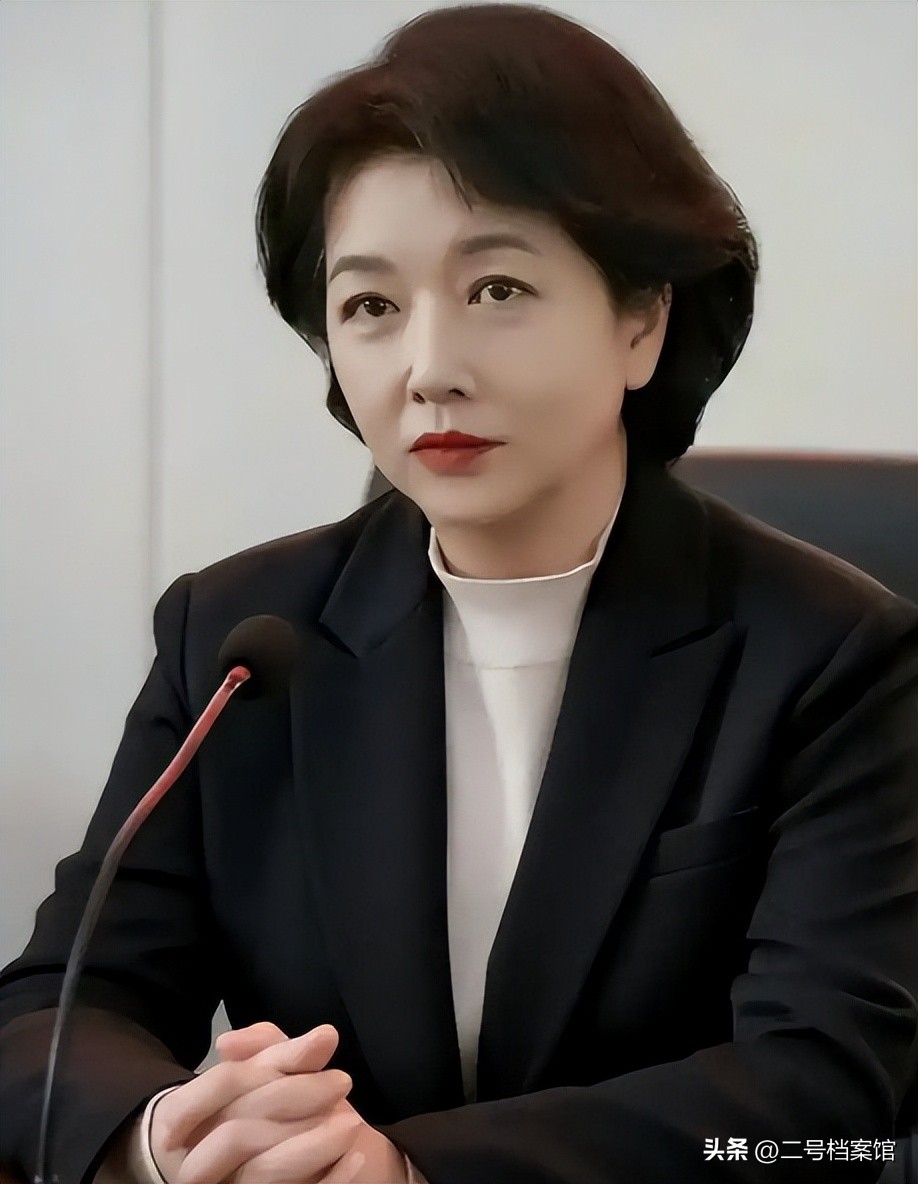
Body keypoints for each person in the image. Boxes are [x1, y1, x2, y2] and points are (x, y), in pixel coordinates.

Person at [0, 4, 915, 1183]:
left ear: (642, 319)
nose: (429, 368)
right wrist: (165, 1134)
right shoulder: (240, 638)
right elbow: (58, 1007)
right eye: (371, 306)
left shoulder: (832, 656)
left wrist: (407, 1170)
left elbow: (824, 1092)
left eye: (497, 289)